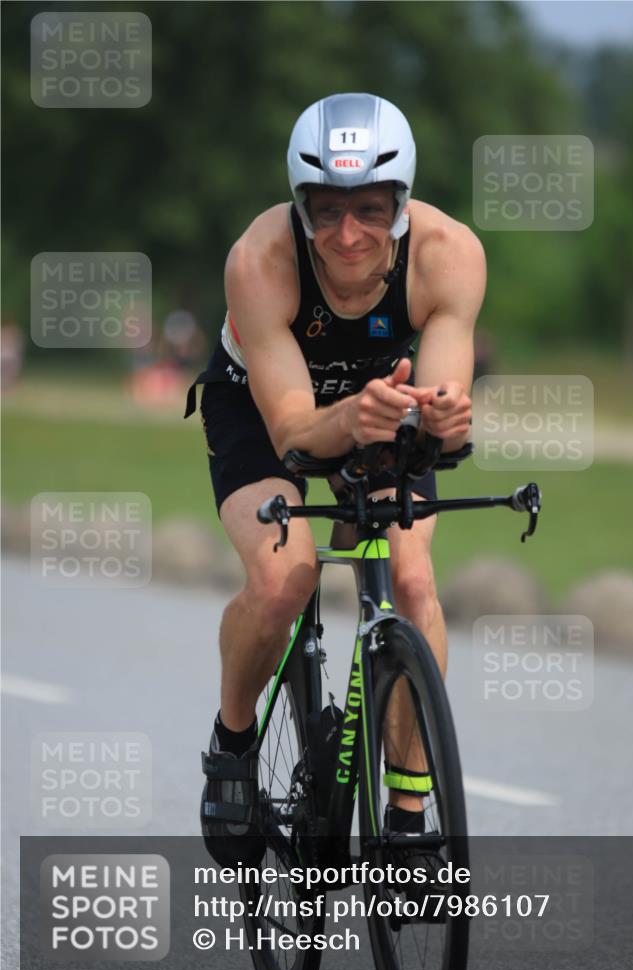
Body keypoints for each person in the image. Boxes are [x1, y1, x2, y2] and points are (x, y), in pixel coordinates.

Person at [185, 93, 486, 865]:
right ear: (299, 205)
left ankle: (410, 814)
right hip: (262, 406)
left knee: (413, 586)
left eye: (370, 209)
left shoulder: (449, 255)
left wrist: (444, 421)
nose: (347, 235)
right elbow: (291, 428)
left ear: (402, 204)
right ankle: (232, 742)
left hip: (378, 408)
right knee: (286, 578)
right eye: (324, 211)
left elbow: (441, 401)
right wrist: (354, 416)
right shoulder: (260, 261)